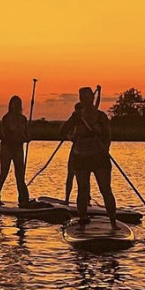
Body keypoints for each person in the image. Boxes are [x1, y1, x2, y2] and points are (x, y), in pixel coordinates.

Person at [60, 86, 116, 227]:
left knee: (105, 189)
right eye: (83, 97)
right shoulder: (77, 116)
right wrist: (74, 135)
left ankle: (113, 222)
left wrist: (103, 141)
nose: (86, 100)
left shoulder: (101, 116)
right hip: (81, 157)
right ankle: (83, 220)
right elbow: (62, 131)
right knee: (82, 190)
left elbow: (108, 136)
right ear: (80, 99)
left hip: (99, 157)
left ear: (92, 98)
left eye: (88, 97)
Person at [64, 85, 101, 204]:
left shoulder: (89, 117)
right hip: (75, 151)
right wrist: (72, 137)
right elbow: (67, 133)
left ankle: (87, 200)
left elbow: (95, 104)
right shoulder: (75, 120)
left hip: (87, 151)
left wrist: (99, 92)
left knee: (86, 177)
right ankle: (66, 199)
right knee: (70, 175)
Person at [0, 96, 32, 207]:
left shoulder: (23, 119)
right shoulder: (6, 118)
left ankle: (23, 199)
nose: (15, 106)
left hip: (18, 148)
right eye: (13, 103)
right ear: (10, 105)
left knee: (20, 175)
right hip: (7, 148)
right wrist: (20, 138)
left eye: (17, 104)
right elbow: (7, 135)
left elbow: (25, 133)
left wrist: (27, 137)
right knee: (4, 173)